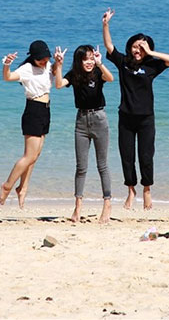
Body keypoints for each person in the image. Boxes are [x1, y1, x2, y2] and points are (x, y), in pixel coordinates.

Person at [102, 8, 169, 211]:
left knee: (146, 156)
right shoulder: (123, 63)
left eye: (141, 48)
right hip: (125, 117)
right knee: (127, 156)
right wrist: (106, 24)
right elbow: (109, 46)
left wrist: (150, 52)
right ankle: (130, 191)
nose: (137, 51)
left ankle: (147, 190)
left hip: (146, 119)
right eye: (135, 47)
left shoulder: (152, 66)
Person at [0, 40, 64, 208]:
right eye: (41, 59)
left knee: (35, 157)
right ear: (33, 58)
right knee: (29, 156)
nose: (44, 61)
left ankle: (23, 188)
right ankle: (7, 186)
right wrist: (7, 65)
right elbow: (7, 77)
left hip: (45, 110)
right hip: (33, 110)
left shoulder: (48, 65)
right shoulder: (27, 69)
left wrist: (58, 62)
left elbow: (57, 78)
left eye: (46, 58)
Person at [55, 44, 114, 223]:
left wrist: (100, 63)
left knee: (102, 165)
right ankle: (78, 206)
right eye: (85, 59)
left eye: (91, 59)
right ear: (79, 61)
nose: (89, 62)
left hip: (99, 118)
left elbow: (110, 78)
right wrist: (58, 64)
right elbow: (58, 84)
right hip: (81, 120)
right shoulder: (74, 75)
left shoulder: (97, 72)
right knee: (81, 167)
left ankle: (107, 204)